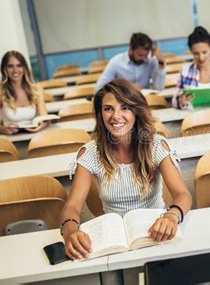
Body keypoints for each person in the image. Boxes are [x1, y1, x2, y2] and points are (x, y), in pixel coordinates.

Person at [60, 78, 192, 260]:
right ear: (100, 114)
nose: (116, 116)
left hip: (156, 233)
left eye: (125, 107)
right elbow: (72, 206)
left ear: (136, 112)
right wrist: (70, 231)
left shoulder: (156, 145)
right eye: (108, 109)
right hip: (114, 241)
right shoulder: (89, 153)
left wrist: (172, 216)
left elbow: (183, 194)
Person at [0, 50, 48, 135]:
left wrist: (42, 125)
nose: (15, 70)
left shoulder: (36, 89)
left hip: (35, 136)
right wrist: (3, 129)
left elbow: (44, 117)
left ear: (24, 68)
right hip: (11, 140)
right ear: (4, 69)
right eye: (10, 66)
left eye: (19, 65)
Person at [95, 33, 166, 91]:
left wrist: (161, 62)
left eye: (146, 55)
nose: (144, 58)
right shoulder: (116, 62)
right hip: (124, 103)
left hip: (146, 102)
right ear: (131, 49)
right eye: (140, 55)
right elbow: (99, 88)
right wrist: (125, 87)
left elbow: (159, 89)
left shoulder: (151, 60)